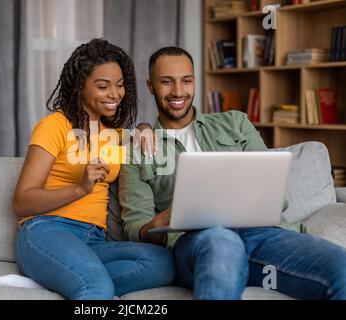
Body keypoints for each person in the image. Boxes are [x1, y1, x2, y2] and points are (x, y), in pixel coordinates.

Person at [118, 46, 346, 300]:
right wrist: (158, 223)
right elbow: (134, 226)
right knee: (221, 244)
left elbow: (275, 194)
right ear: (150, 86)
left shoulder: (235, 123)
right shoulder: (136, 149)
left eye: (186, 80)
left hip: (263, 234)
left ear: (195, 81)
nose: (178, 91)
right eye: (166, 82)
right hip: (199, 242)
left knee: (341, 270)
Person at [12, 39, 175, 300]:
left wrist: (144, 128)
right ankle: (78, 277)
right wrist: (80, 188)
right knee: (97, 289)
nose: (115, 94)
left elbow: (140, 138)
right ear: (80, 87)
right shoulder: (54, 126)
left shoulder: (116, 134)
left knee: (163, 263)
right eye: (103, 86)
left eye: (120, 85)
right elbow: (21, 202)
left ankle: (63, 277)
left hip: (94, 240)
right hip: (47, 230)